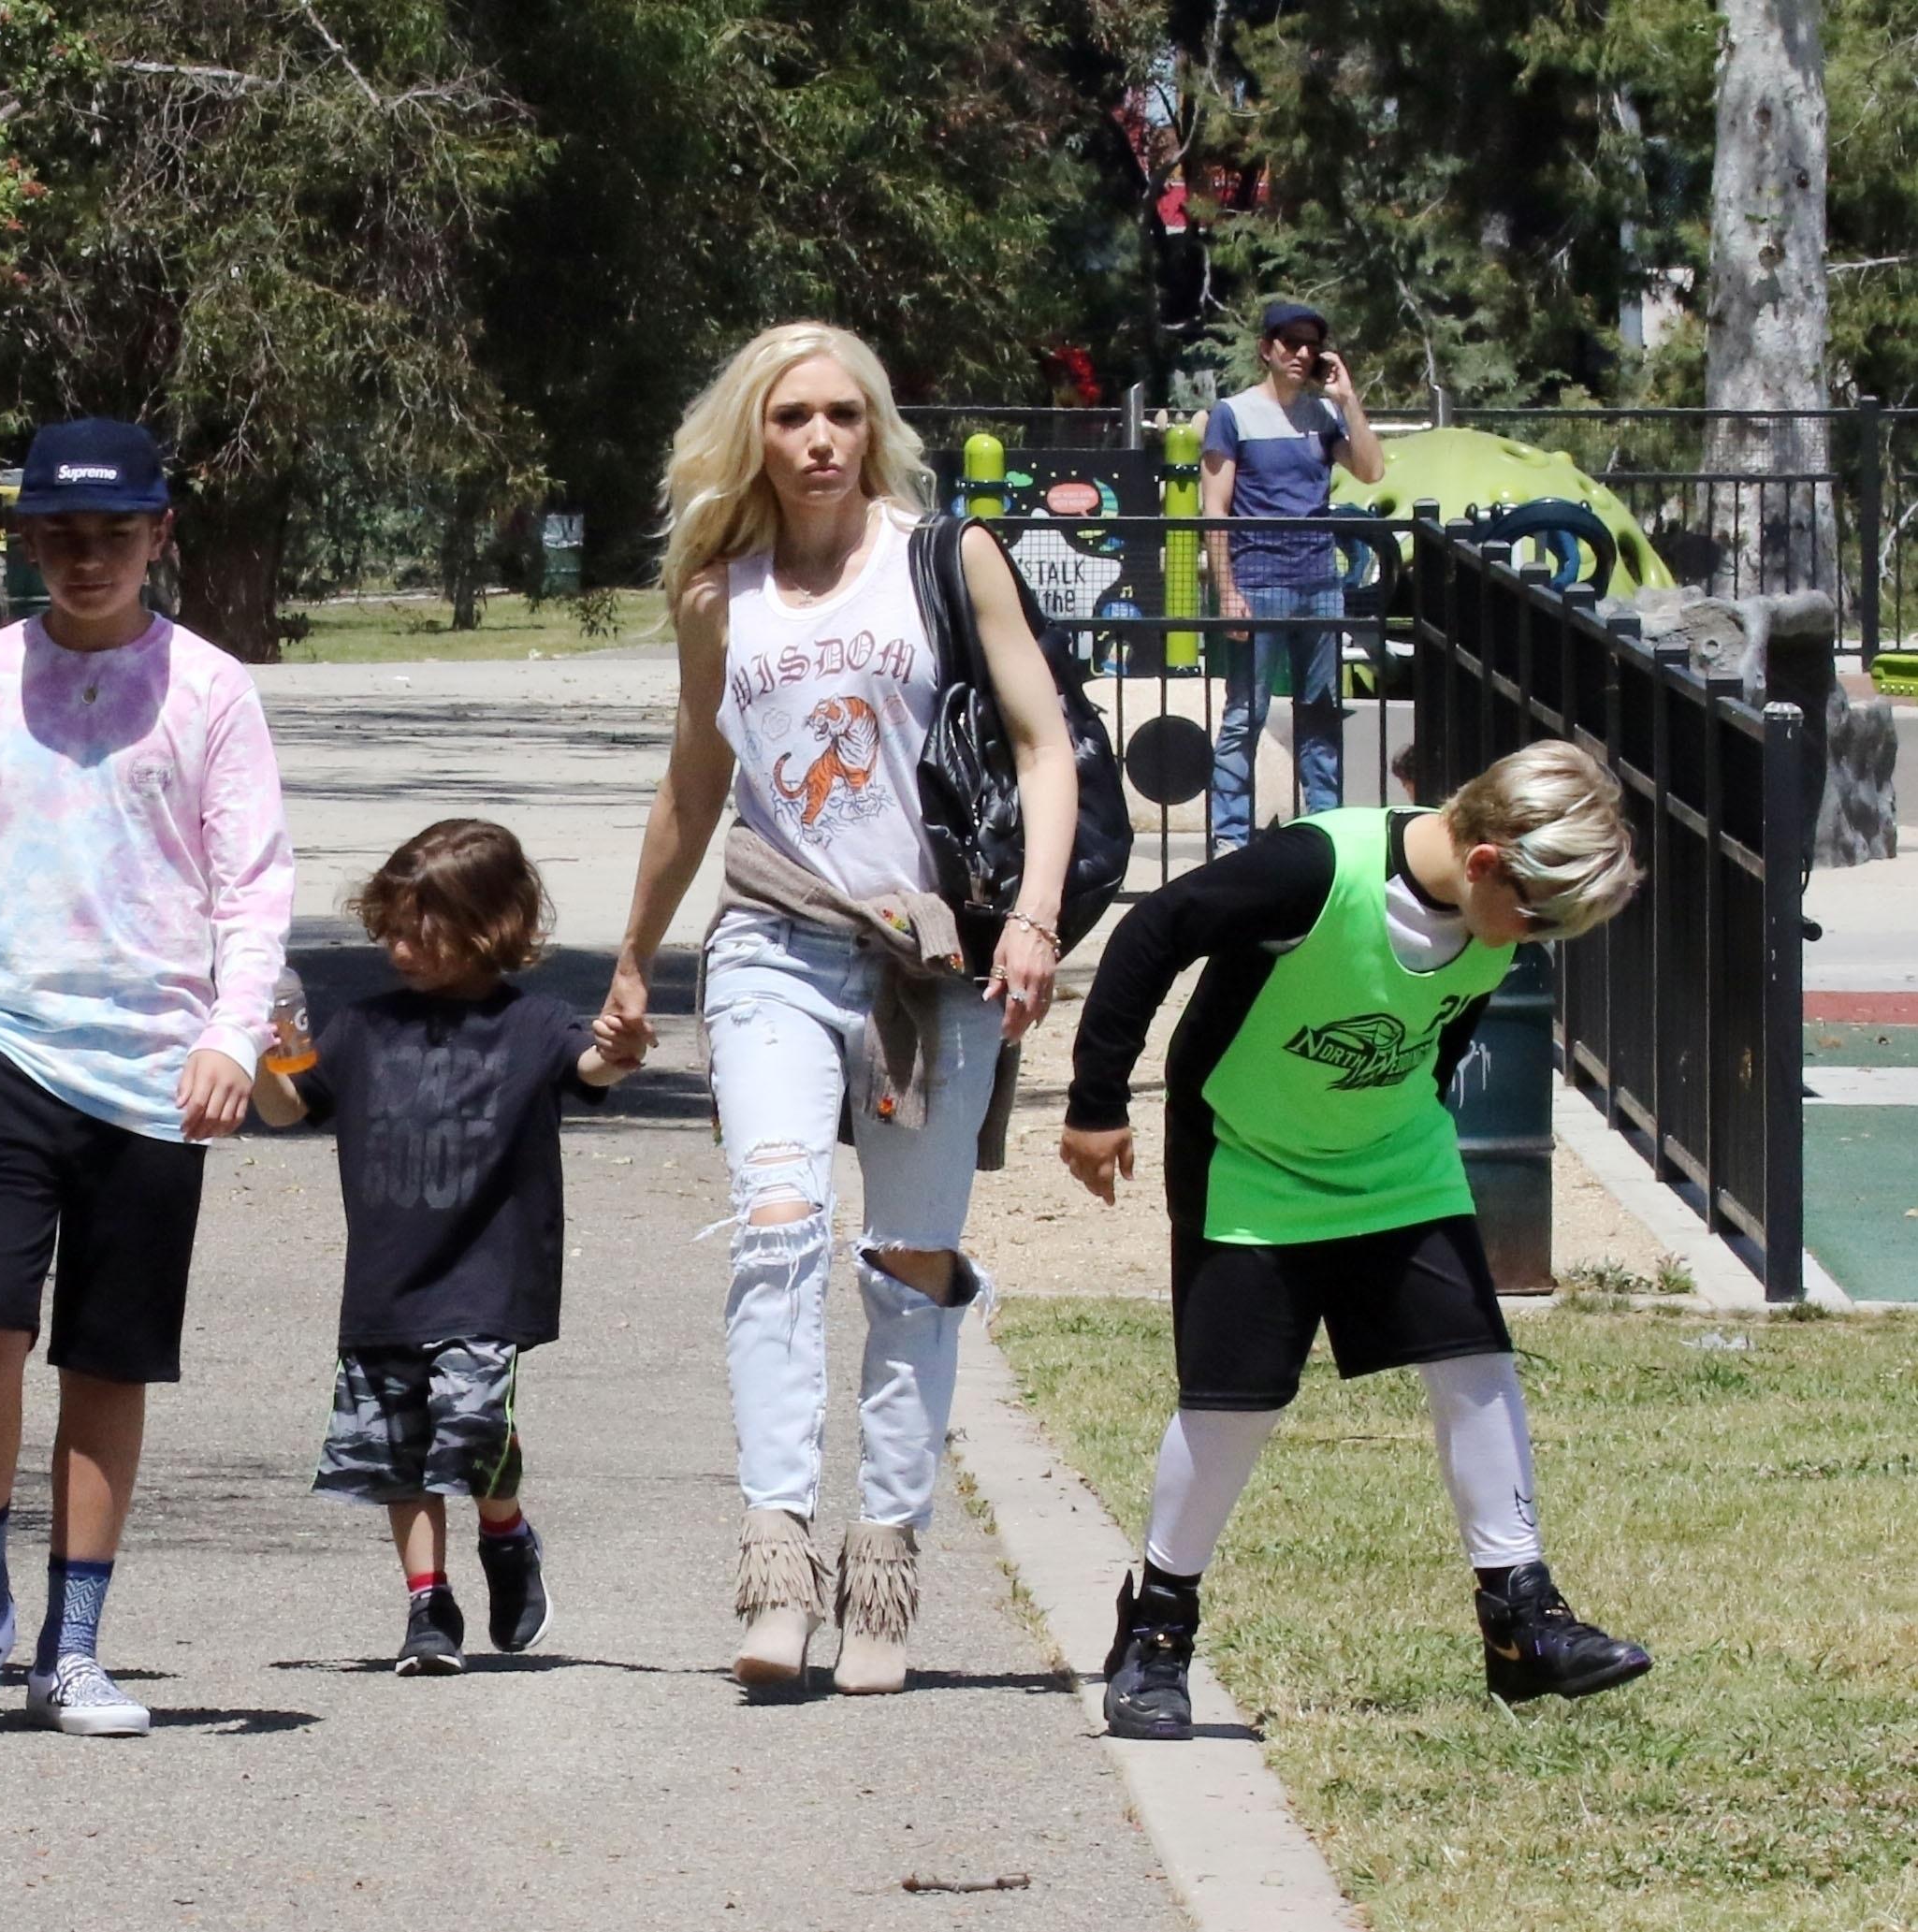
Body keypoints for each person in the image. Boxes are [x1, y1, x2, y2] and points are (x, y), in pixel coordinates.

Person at [600, 321, 1080, 1694]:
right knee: (776, 1226)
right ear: (752, 432)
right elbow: (695, 782)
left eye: (842, 415)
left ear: (873, 428)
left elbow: (1043, 744)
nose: (819, 440)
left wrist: (1034, 918)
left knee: (908, 1264)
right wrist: (634, 955)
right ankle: (772, 1563)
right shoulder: (718, 593)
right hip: (769, 943)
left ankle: (884, 1564)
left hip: (932, 970)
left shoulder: (946, 559)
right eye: (793, 416)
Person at [0, 417, 294, 1738]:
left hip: (155, 1067)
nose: (85, 557)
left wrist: (231, 1035)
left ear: (159, 537)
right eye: (59, 534)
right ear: (25, 542)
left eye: (112, 532)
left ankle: (74, 1644)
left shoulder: (210, 692)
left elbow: (253, 888)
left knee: (108, 1355)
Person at [1059, 740, 1652, 1740]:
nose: (1541, 937)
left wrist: (1404, 1123)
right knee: (1231, 1404)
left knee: (1473, 1360)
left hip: (1394, 1161)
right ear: (1481, 863)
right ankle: (1155, 1632)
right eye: (1539, 914)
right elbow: (1154, 932)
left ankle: (1520, 1616)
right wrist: (1094, 1100)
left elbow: (1444, 1026)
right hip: (1246, 1158)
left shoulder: (1492, 921)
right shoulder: (1314, 869)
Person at [250, 821, 643, 1674]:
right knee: (398, 1453)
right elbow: (288, 1108)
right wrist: (260, 1056)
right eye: (388, 925)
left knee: (468, 1427)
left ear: (486, 925)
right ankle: (428, 1605)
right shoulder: (360, 1026)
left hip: (487, 1276)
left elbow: (592, 1070)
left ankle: (504, 1530)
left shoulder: (531, 1024)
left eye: (417, 929)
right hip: (388, 1284)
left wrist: (621, 1052)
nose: (396, 946)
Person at [1203, 298, 1388, 854]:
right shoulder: (1231, 414)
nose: (1301, 353)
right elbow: (1214, 508)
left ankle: (1323, 832)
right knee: (1246, 714)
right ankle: (1230, 841)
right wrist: (1227, 591)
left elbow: (1372, 470)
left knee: (1320, 715)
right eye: (1289, 341)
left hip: (1319, 585)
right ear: (1267, 348)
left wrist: (1347, 399)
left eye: (1311, 344)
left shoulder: (1322, 415)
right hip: (1258, 584)